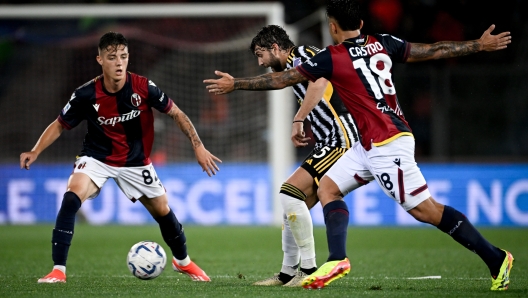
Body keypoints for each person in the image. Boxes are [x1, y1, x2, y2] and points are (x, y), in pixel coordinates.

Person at [204, 0, 513, 291]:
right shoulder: (384, 42)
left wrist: (237, 84)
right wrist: (478, 45)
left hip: (387, 143)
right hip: (366, 144)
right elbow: (433, 50)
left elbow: (281, 80)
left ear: (333, 27)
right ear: (361, 23)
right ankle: (336, 260)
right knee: (327, 188)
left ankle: (497, 259)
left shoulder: (332, 56)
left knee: (426, 211)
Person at [21, 32, 221, 284]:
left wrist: (198, 146)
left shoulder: (143, 87)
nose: (119, 62)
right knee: (72, 196)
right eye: (112, 57)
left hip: (136, 160)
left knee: (162, 210)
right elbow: (60, 124)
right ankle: (58, 270)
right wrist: (35, 151)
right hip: (97, 157)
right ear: (100, 60)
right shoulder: (85, 94)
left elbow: (177, 113)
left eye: (123, 57)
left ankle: (183, 262)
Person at [247, 25, 359, 287]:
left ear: (276, 48)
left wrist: (299, 119)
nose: (261, 62)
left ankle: (309, 270)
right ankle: (287, 273)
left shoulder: (303, 55)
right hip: (332, 137)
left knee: (288, 192)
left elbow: (319, 81)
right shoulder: (295, 66)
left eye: (260, 54)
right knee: (291, 205)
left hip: (341, 135)